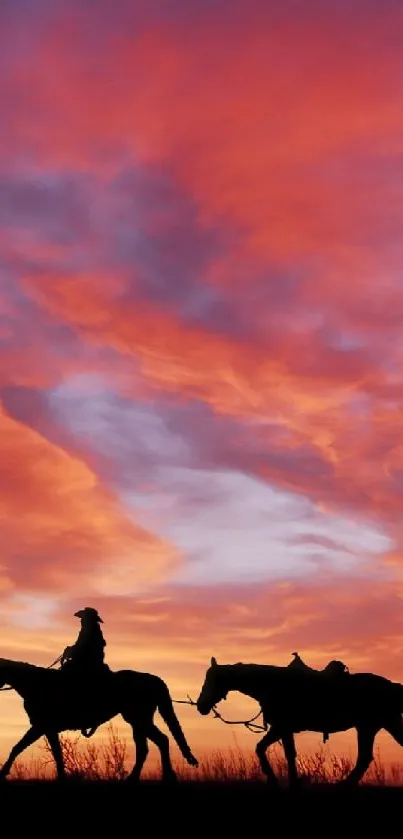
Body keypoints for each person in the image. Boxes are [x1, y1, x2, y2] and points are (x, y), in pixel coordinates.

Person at [60, 607, 109, 679]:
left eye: (83, 619)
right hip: (91, 658)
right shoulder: (90, 629)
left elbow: (83, 645)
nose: (81, 621)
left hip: (89, 659)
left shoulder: (90, 631)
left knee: (67, 669)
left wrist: (72, 650)